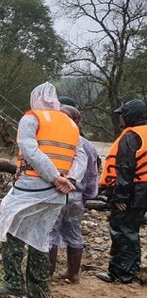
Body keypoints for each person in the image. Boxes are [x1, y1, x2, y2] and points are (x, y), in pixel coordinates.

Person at [0, 82, 86, 298]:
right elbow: (81, 157)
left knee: (11, 229)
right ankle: (39, 289)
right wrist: (68, 180)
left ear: (36, 99)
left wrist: (54, 177)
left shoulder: (31, 118)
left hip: (31, 187)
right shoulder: (71, 125)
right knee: (41, 237)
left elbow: (30, 150)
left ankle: (13, 284)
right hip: (58, 193)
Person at [48, 102, 100, 284]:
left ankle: (48, 275)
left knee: (50, 233)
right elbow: (93, 174)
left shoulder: (55, 141)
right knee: (74, 233)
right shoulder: (88, 146)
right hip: (77, 197)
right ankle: (73, 274)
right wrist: (88, 196)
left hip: (56, 194)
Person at [96, 99, 147, 284]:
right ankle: (133, 267)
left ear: (131, 116)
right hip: (143, 190)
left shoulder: (131, 136)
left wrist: (120, 196)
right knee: (132, 229)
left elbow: (125, 168)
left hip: (131, 190)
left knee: (121, 230)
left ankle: (119, 274)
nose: (121, 120)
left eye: (123, 116)